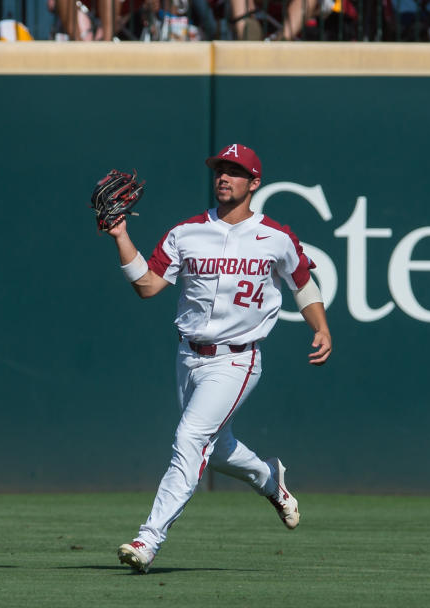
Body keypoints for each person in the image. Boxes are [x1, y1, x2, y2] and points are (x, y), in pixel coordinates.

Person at [106, 143, 333, 573]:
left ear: (254, 183)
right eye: (219, 170)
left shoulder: (276, 237)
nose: (224, 177)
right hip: (187, 356)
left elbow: (302, 282)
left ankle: (148, 539)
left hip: (237, 359)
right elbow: (149, 286)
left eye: (235, 171)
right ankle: (271, 480)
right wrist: (121, 236)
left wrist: (320, 327)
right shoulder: (186, 232)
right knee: (219, 447)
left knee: (190, 439)